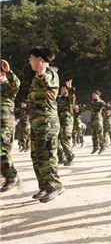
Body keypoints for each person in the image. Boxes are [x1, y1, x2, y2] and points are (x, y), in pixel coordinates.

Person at [27, 47, 65, 202]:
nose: (29, 61)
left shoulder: (50, 74)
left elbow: (49, 87)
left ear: (40, 60)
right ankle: (44, 187)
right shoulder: (37, 76)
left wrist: (42, 74)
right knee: (37, 156)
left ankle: (55, 186)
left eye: (31, 58)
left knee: (47, 156)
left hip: (47, 123)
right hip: (37, 123)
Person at [0, 59, 22, 193]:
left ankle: (12, 177)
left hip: (5, 124)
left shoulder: (7, 86)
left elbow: (16, 84)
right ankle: (8, 176)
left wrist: (9, 71)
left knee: (2, 151)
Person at [57, 79, 76, 166]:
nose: (62, 90)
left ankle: (70, 157)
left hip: (67, 123)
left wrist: (70, 88)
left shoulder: (69, 99)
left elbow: (72, 96)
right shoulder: (59, 99)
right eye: (61, 89)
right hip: (58, 122)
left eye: (64, 89)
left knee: (65, 141)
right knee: (56, 141)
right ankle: (61, 158)